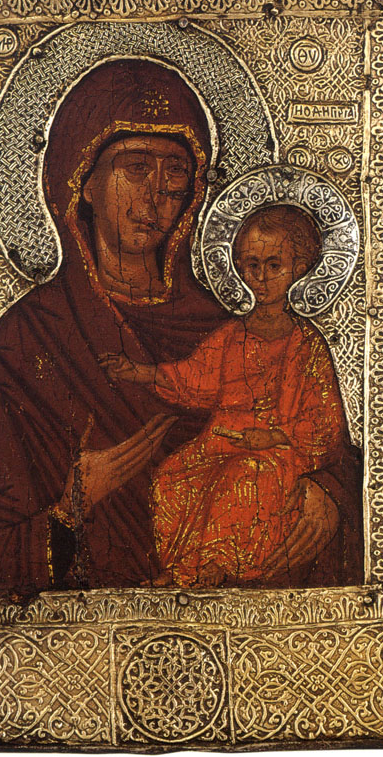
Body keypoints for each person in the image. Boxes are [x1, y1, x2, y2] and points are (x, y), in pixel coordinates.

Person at [0, 58, 363, 592]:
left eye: (174, 172)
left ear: (194, 192)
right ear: (82, 180)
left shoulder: (228, 326)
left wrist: (330, 495)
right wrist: (70, 506)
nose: (155, 194)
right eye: (135, 166)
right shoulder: (28, 338)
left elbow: (329, 443)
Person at [102, 205, 354, 587]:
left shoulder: (306, 344)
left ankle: (214, 566)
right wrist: (139, 372)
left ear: (299, 268)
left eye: (274, 265)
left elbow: (323, 421)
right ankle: (180, 568)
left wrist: (272, 437)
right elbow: (194, 377)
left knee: (244, 476)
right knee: (172, 478)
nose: (261, 277)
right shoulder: (231, 335)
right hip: (220, 443)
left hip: (278, 453)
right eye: (252, 265)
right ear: (239, 267)